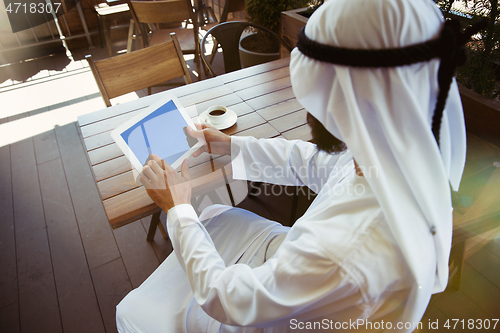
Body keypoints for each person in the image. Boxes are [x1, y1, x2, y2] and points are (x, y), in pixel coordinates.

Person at [116, 0, 478, 331]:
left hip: (275, 309)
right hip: (304, 272)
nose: (308, 113)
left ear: (356, 98)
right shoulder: (399, 147)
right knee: (216, 217)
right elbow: (317, 163)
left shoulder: (346, 249)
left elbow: (228, 300)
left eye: (317, 98)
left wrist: (177, 209)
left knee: (132, 311)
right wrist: (230, 145)